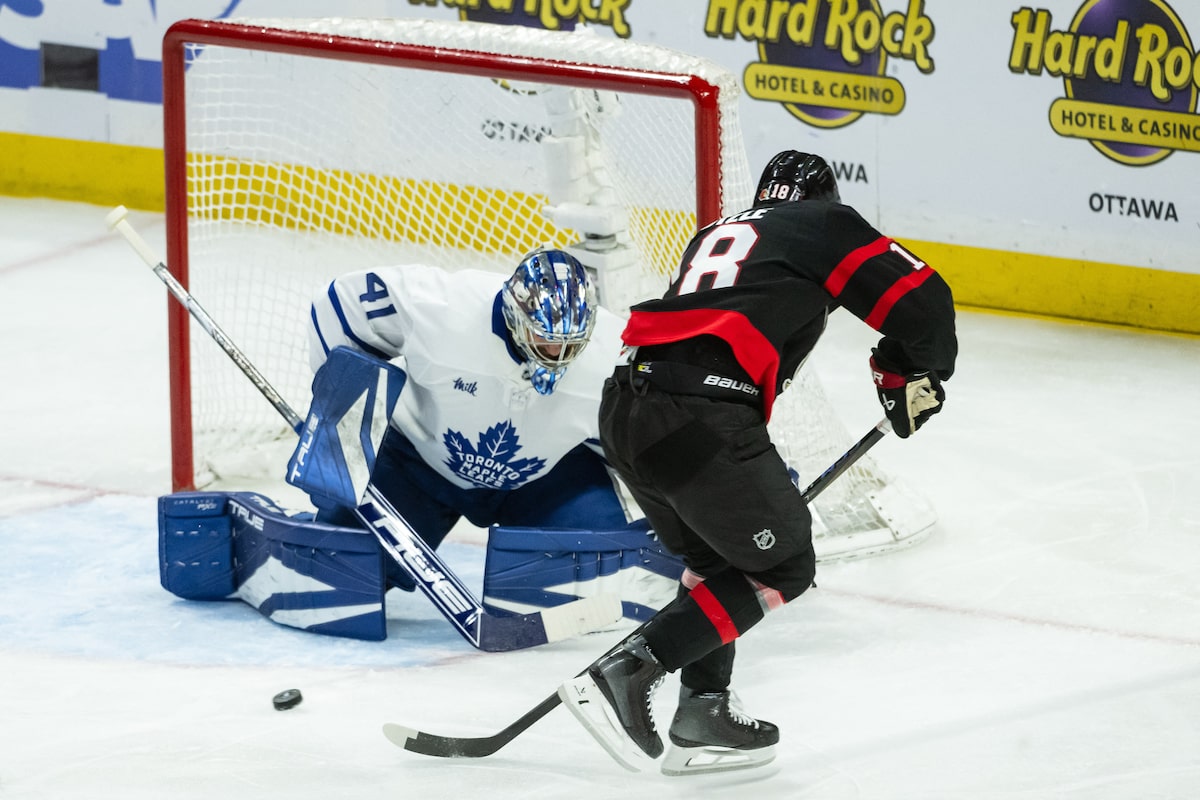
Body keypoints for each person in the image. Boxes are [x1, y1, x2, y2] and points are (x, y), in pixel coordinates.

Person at [558, 151, 958, 775]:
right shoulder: (823, 223)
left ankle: (702, 714)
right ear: (823, 198)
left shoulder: (716, 234)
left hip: (628, 409)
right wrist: (909, 371)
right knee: (786, 564)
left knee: (719, 563)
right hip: (700, 414)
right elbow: (924, 299)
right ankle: (632, 670)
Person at [306, 248, 637, 590]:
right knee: (337, 577)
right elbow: (340, 304)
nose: (558, 353)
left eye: (571, 342)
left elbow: (640, 447)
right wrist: (340, 420)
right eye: (545, 338)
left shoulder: (616, 356)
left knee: (595, 584)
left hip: (547, 483)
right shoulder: (441, 306)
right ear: (515, 312)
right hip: (417, 466)